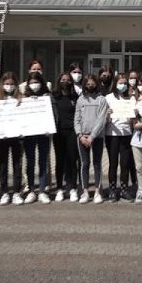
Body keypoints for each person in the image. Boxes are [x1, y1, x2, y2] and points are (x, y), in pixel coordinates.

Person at [75, 74, 109, 204]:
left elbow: (101, 120)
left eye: (92, 84)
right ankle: (84, 192)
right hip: (82, 137)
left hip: (97, 137)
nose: (90, 86)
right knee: (84, 164)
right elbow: (76, 119)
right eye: (88, 84)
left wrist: (92, 136)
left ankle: (97, 191)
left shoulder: (101, 99)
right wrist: (80, 134)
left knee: (97, 164)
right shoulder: (80, 100)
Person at [22, 72, 53, 204]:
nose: (34, 85)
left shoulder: (47, 97)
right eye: (32, 82)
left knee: (43, 162)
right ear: (28, 84)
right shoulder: (24, 98)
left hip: (43, 133)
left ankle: (42, 191)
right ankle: (30, 191)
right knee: (30, 162)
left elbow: (54, 114)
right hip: (29, 134)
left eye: (37, 82)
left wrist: (50, 129)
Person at [0, 72, 25, 205]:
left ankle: (17, 192)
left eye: (12, 84)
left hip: (17, 137)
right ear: (2, 85)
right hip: (2, 136)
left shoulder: (21, 99)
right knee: (2, 164)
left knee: (17, 165)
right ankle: (4, 192)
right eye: (6, 84)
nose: (9, 86)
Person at [104, 72, 135, 202]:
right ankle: (112, 189)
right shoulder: (108, 97)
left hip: (126, 133)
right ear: (115, 83)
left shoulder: (131, 98)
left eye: (124, 83)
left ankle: (123, 188)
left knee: (125, 163)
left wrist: (134, 114)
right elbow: (103, 118)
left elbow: (134, 118)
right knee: (113, 163)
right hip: (112, 134)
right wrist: (107, 115)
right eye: (120, 83)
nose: (122, 85)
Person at [52, 72, 80, 202]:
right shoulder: (54, 96)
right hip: (58, 132)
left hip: (72, 132)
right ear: (59, 81)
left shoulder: (75, 96)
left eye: (68, 80)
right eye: (63, 80)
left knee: (72, 160)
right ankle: (59, 188)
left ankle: (72, 187)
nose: (65, 82)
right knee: (60, 161)